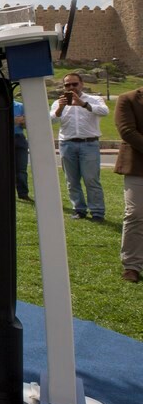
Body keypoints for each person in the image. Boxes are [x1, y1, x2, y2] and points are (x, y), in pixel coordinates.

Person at [52, 72, 108, 221]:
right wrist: (61, 108)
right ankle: (79, 210)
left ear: (81, 84)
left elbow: (104, 112)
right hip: (67, 144)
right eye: (67, 85)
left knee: (91, 179)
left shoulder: (94, 99)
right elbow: (51, 120)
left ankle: (97, 212)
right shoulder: (59, 102)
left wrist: (83, 104)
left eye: (74, 84)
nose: (71, 87)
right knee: (72, 180)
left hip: (89, 143)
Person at [113, 88, 143, 283]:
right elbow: (127, 131)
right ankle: (132, 265)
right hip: (138, 166)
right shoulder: (128, 98)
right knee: (135, 214)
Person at [14, 99, 31, 201]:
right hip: (2, 136)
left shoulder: (20, 106)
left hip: (19, 138)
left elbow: (26, 125)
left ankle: (23, 194)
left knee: (21, 169)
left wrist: (24, 122)